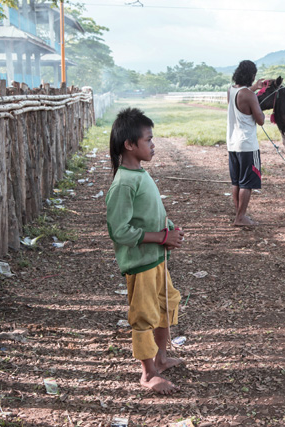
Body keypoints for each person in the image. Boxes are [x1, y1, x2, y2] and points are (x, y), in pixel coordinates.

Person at [106, 107, 185, 395]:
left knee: (165, 307)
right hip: (141, 264)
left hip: (157, 258)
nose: (153, 145)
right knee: (144, 316)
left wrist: (170, 229)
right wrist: (162, 237)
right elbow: (121, 231)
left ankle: (161, 358)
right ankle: (148, 373)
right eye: (148, 140)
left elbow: (151, 213)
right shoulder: (123, 184)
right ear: (129, 145)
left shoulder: (139, 174)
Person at [226, 60, 266, 226]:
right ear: (252, 75)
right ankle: (241, 217)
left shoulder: (231, 90)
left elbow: (241, 95)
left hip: (232, 143)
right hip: (247, 145)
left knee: (237, 182)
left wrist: (254, 87)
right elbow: (261, 120)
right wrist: (256, 97)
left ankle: (238, 214)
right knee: (247, 183)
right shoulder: (249, 96)